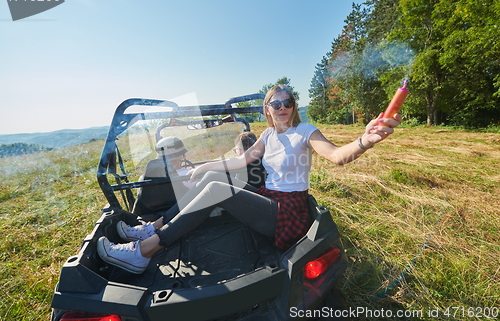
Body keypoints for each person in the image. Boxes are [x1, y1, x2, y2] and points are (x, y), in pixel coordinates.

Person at [97, 84, 401, 274]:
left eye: (288, 102)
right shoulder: (268, 134)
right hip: (268, 198)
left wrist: (365, 140)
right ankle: (152, 227)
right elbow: (241, 160)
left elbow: (337, 156)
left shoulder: (305, 131)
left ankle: (144, 251)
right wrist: (204, 167)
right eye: (276, 104)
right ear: (268, 110)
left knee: (217, 189)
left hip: (287, 212)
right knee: (209, 181)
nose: (283, 108)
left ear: (294, 107)